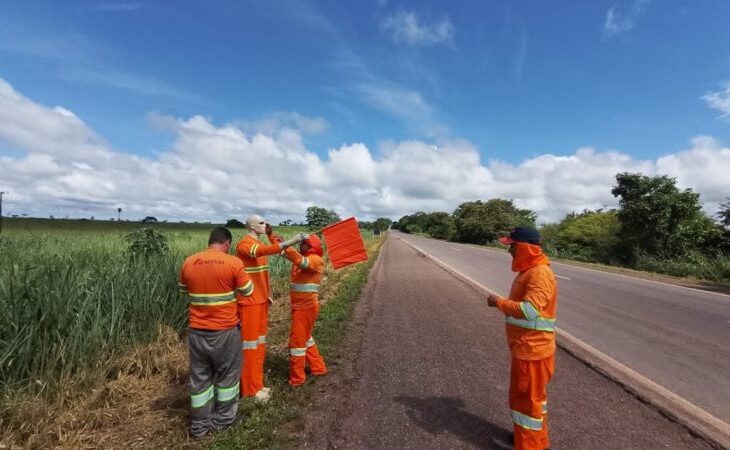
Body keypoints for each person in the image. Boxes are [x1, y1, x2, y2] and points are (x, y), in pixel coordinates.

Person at [178, 227, 254, 438]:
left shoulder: (190, 261)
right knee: (228, 376)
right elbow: (248, 291)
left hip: (197, 332)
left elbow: (183, 290)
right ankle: (224, 421)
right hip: (225, 332)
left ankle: (199, 427)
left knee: (200, 379)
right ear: (227, 243)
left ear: (211, 240)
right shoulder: (233, 263)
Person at [486, 226, 557, 450]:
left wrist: (498, 302)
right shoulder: (530, 271)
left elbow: (529, 311)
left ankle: (529, 446)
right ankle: (536, 441)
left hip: (532, 351)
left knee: (526, 403)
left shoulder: (539, 274)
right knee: (533, 402)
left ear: (525, 247)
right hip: (528, 349)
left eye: (512, 246)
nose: (509, 251)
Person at [235, 214, 305, 402]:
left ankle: (257, 385)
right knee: (249, 348)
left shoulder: (258, 244)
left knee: (259, 346)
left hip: (260, 301)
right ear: (250, 226)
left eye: (265, 222)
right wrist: (293, 241)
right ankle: (249, 390)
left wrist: (267, 294)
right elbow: (266, 250)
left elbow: (261, 274)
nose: (265, 225)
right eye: (261, 223)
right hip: (249, 303)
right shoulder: (245, 245)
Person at [282, 234, 328, 387]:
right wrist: (275, 240)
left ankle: (297, 379)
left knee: (297, 344)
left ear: (311, 246)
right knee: (306, 339)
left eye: (303, 244)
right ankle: (318, 368)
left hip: (306, 308)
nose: (300, 246)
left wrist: (287, 246)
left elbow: (300, 261)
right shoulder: (302, 257)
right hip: (301, 307)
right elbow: (284, 252)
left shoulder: (314, 259)